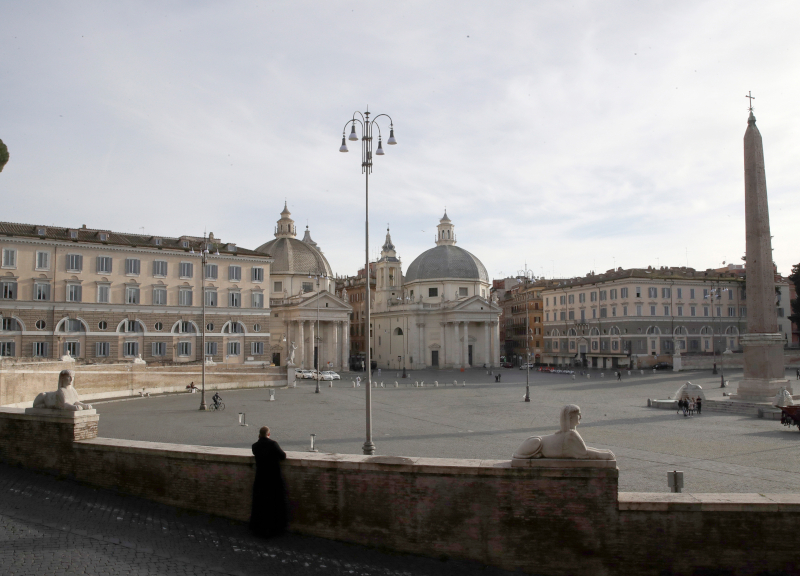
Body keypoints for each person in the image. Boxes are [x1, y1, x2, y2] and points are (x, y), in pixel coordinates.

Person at [250, 426, 288, 538]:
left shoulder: (254, 446)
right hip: (273, 478)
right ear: (269, 434)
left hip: (260, 478)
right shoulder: (273, 444)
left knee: (260, 504)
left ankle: (259, 527)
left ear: (259, 435)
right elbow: (283, 456)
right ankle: (275, 528)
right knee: (274, 503)